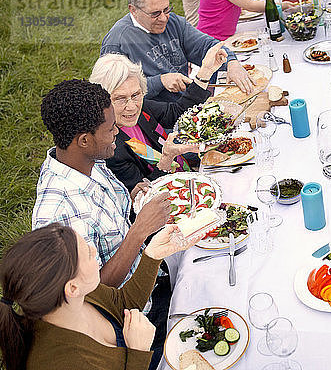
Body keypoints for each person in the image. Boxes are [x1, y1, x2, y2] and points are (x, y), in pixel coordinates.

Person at [32, 79, 171, 369]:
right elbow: (90, 294)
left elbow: (114, 219)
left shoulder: (86, 160)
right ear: (84, 139)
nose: (117, 133)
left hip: (149, 278)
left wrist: (132, 197)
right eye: (110, 129)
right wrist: (139, 231)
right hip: (132, 323)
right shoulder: (59, 215)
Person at [0, 222, 198, 370]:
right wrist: (138, 354)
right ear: (72, 288)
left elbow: (123, 303)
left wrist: (152, 255)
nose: (94, 250)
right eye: (87, 253)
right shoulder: (64, 363)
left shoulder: (78, 294)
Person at [89, 43, 227, 191]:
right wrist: (167, 158)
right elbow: (143, 194)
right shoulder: (109, 148)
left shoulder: (143, 109)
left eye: (136, 95)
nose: (131, 106)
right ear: (102, 100)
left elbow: (177, 112)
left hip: (188, 174)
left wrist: (206, 71)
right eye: (120, 99)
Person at [100, 0, 254, 102]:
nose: (164, 18)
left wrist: (232, 63)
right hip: (156, 120)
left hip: (187, 102)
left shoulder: (174, 22)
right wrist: (160, 82)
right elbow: (113, 92)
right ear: (133, 10)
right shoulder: (117, 42)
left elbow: (207, 45)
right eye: (155, 13)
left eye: (166, 9)